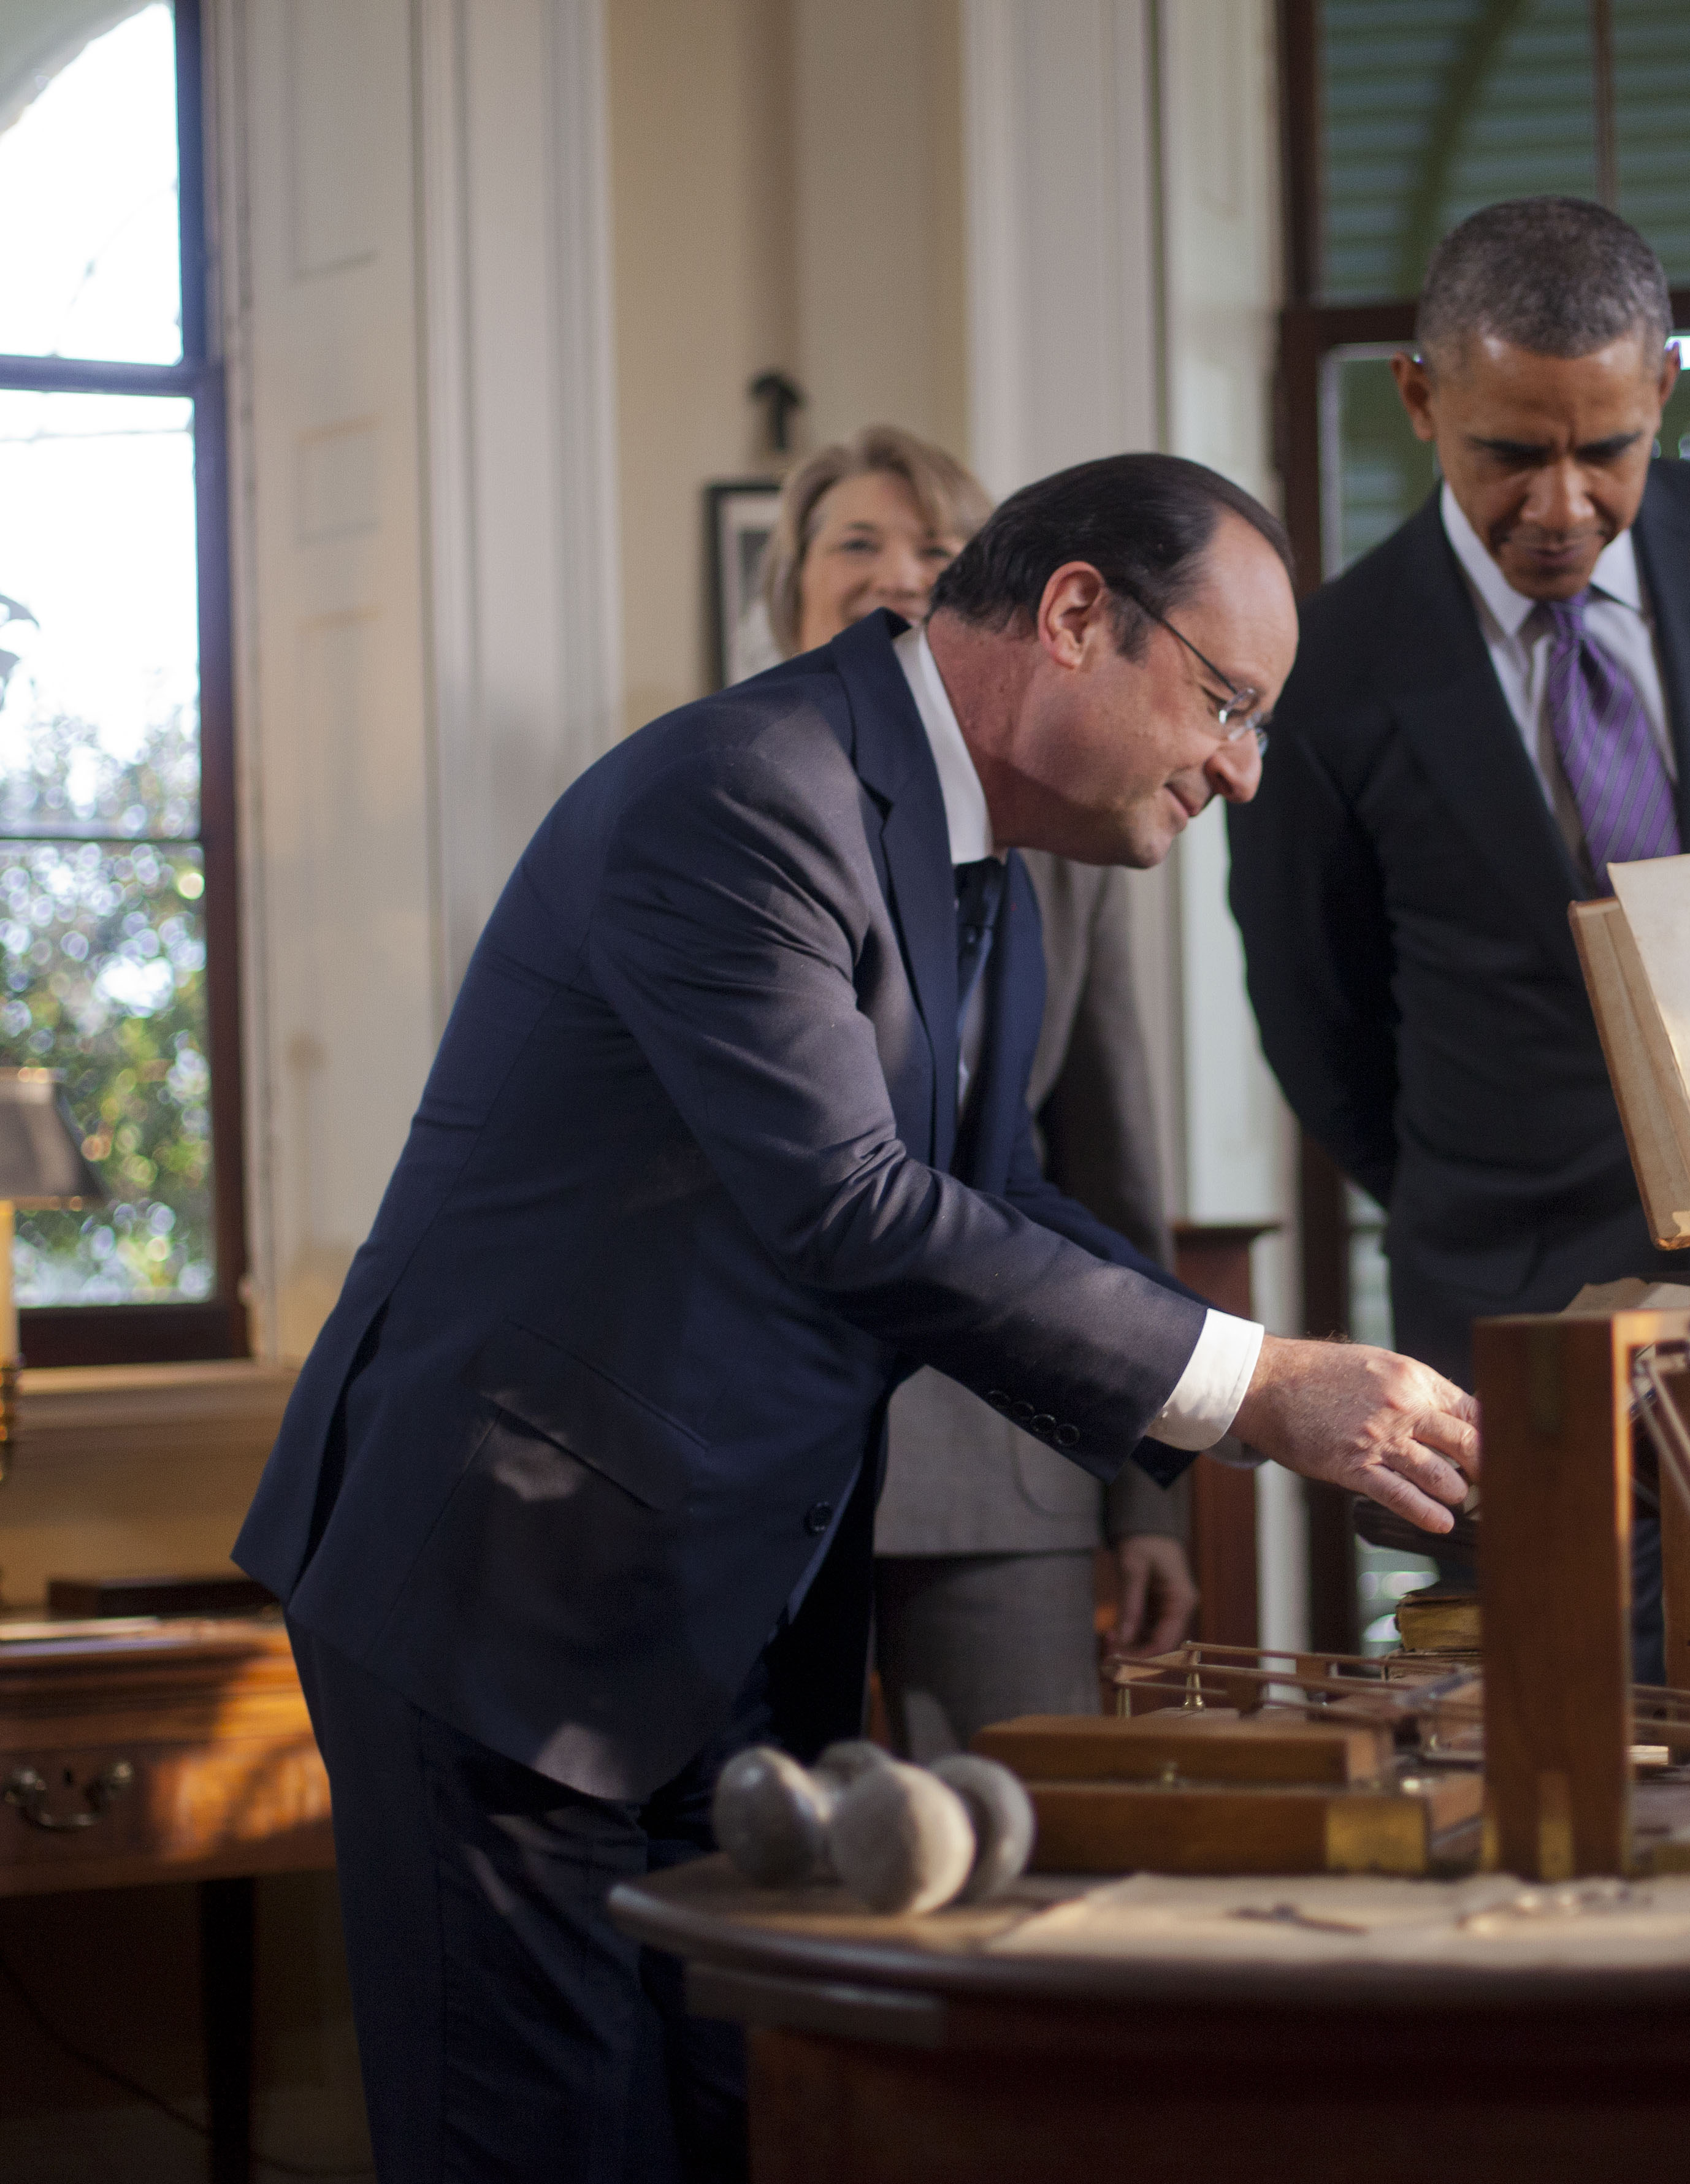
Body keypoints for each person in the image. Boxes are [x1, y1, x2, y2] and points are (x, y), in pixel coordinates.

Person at [232, 453, 1479, 2182]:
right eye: (1227, 704)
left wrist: (1265, 1385)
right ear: (1074, 617)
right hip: (504, 1596)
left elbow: (1002, 1191)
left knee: (745, 2130)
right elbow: (851, 1208)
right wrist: (1251, 1383)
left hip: (710, 1617)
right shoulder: (749, 792)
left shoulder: (992, 864)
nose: (1242, 772)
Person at [1229, 197, 1690, 1384]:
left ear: (1662, 388)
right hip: (1509, 1301)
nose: (1563, 507)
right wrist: (1484, 1191)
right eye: (1511, 454)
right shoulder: (1327, 666)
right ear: (1419, 398)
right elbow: (1319, 1021)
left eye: (1605, 449)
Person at [760, 424, 1199, 1753]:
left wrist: (1145, 1498)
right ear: (791, 584)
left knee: (1024, 1845)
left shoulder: (1066, 840)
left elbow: (1105, 1171)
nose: (898, 570)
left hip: (999, 1454)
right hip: (766, 1461)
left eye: (937, 550)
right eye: (859, 542)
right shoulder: (732, 800)